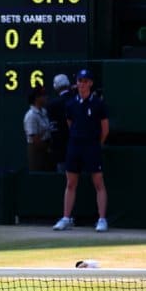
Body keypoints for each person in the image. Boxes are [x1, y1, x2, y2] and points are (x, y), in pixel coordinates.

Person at [53, 69, 109, 232]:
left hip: (92, 147)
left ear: (90, 83)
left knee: (98, 182)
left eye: (85, 81)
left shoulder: (98, 104)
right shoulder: (70, 104)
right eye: (79, 81)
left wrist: (96, 144)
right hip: (74, 146)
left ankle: (102, 219)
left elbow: (105, 129)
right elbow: (71, 125)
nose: (82, 84)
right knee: (70, 183)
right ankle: (66, 218)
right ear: (76, 83)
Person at [47, 73, 72, 173]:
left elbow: (54, 130)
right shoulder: (77, 100)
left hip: (61, 151)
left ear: (55, 86)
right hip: (79, 149)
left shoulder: (53, 104)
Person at [23, 86, 51, 171]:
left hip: (46, 150)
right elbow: (35, 139)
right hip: (36, 151)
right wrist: (49, 149)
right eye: (43, 95)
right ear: (36, 98)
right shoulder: (31, 115)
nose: (46, 97)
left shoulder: (44, 112)